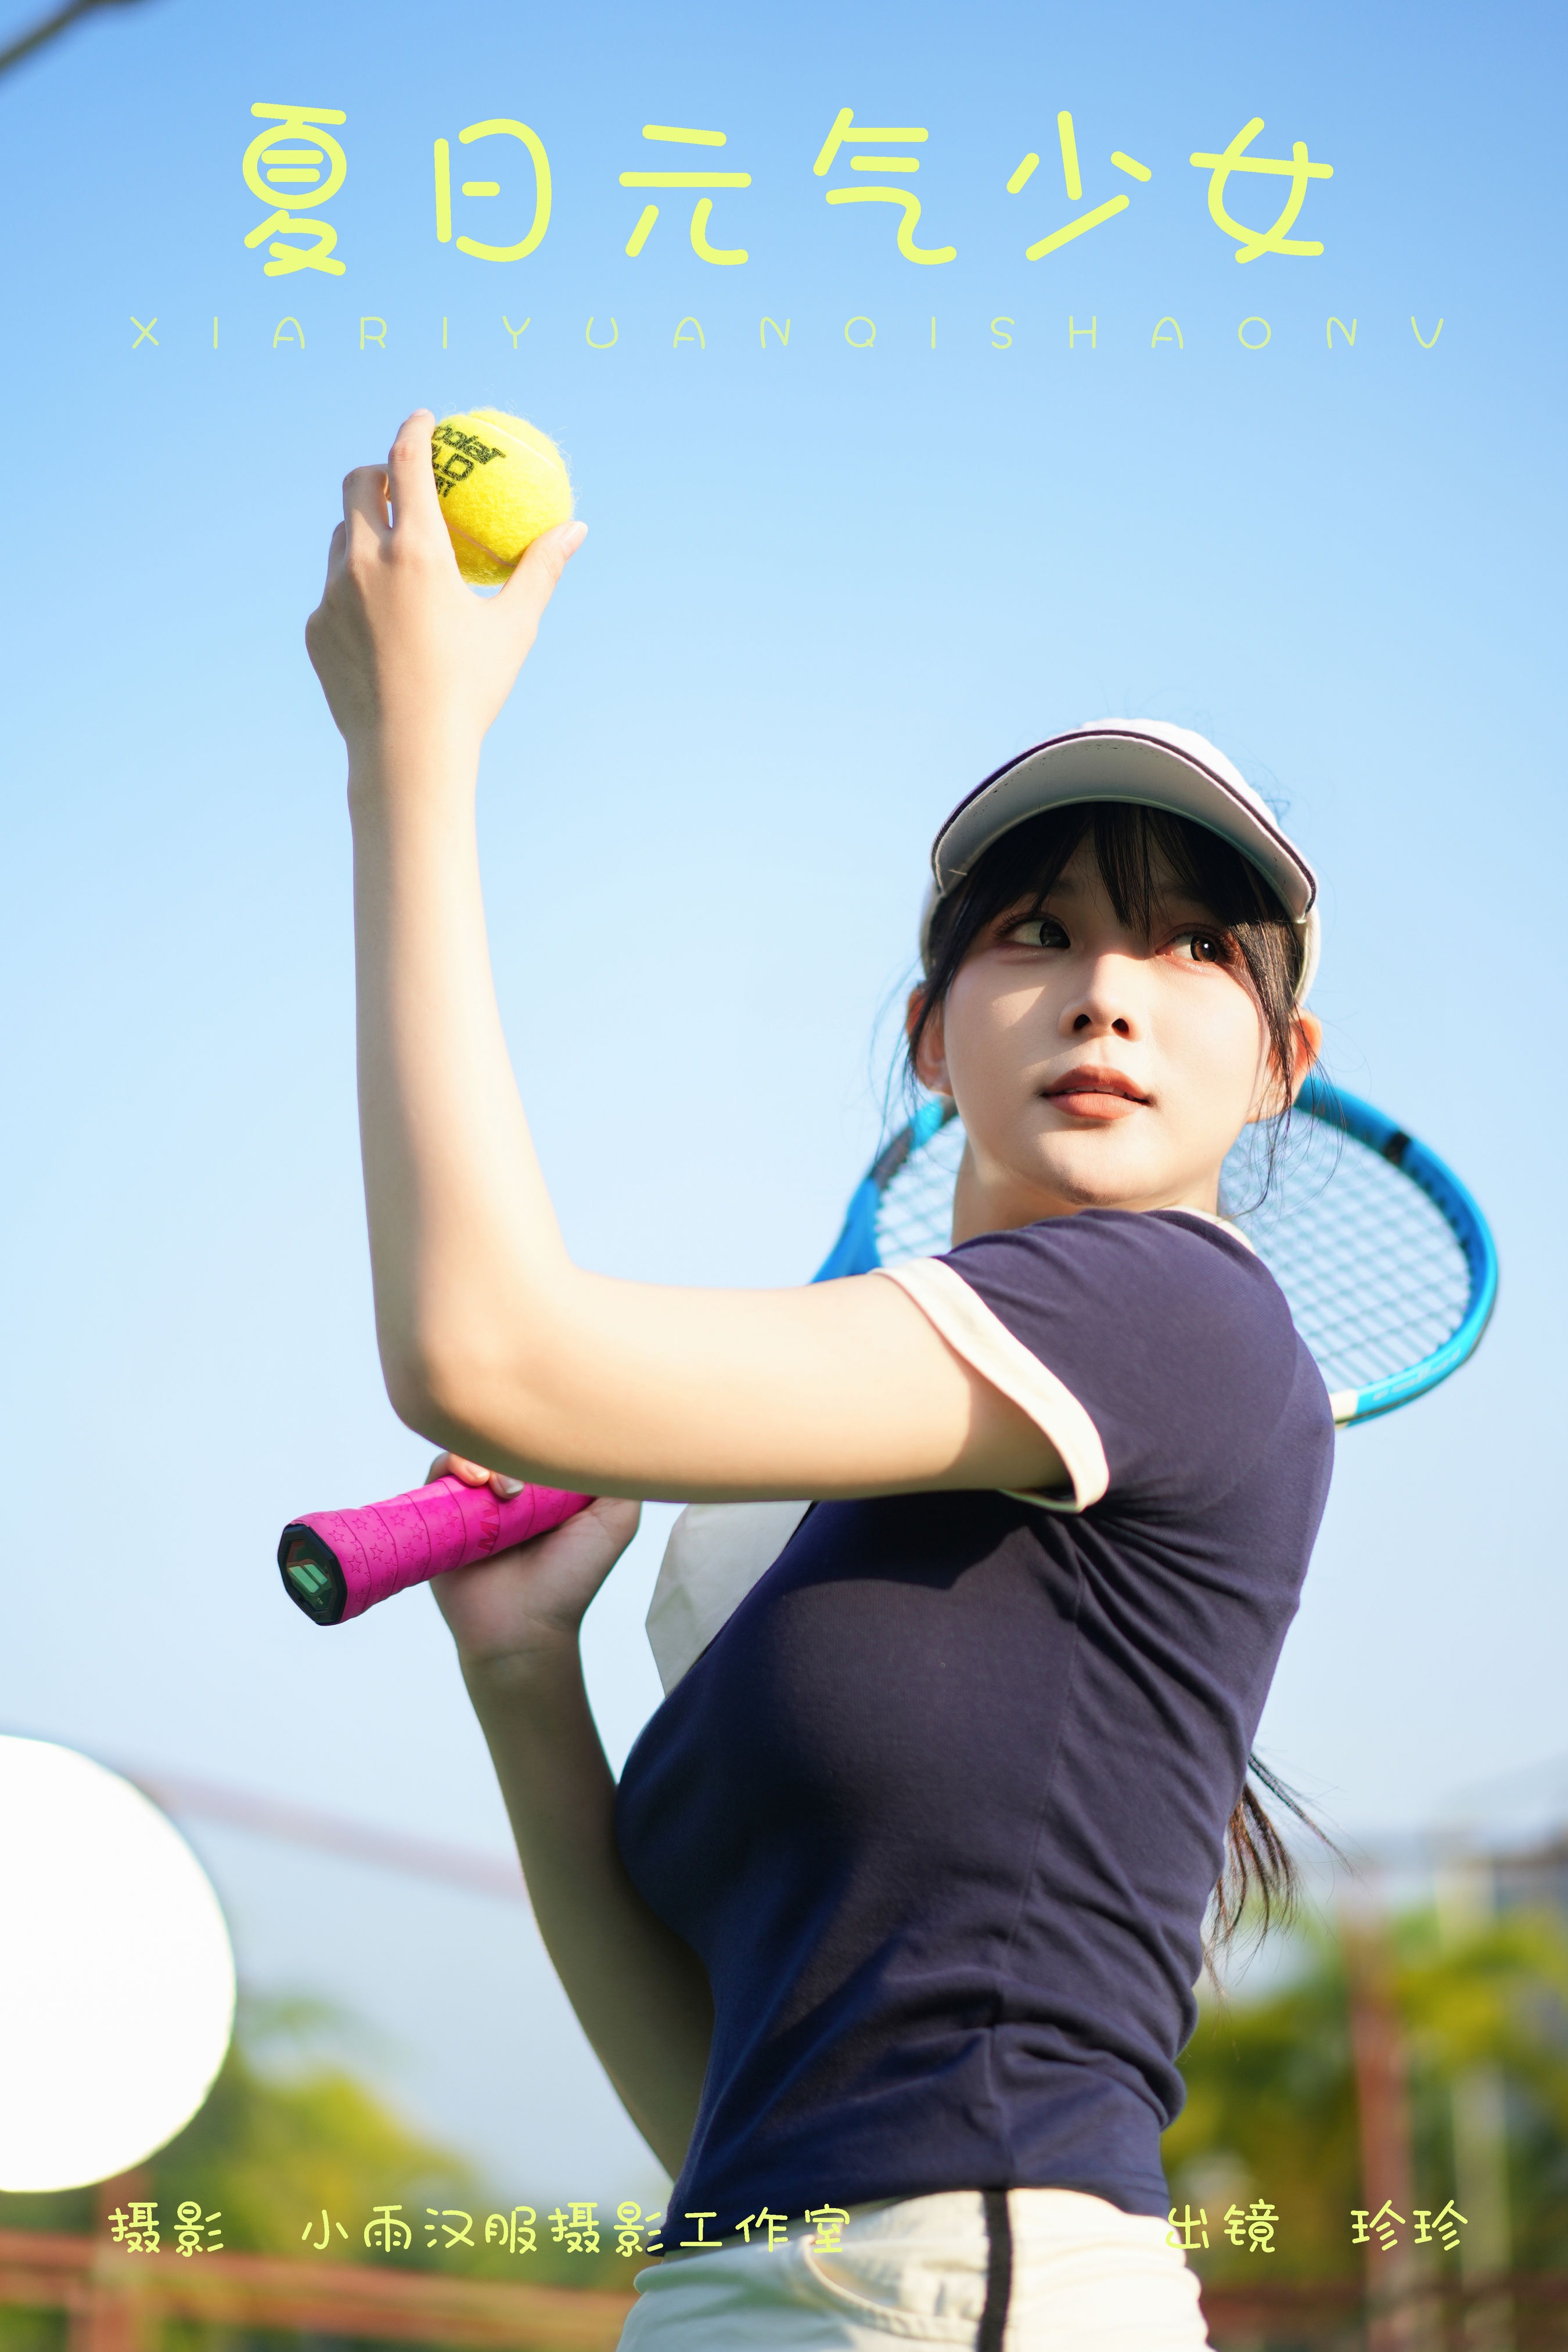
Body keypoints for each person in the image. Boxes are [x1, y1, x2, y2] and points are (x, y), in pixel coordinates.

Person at [305, 411, 1336, 2351]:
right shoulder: (829, 1516)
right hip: (741, 2287)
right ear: (932, 1034)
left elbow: (483, 1347)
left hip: (983, 2301)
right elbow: (726, 2116)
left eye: (1192, 946)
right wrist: (524, 1672)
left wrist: (409, 747)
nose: (1108, 987)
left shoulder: (1174, 1314)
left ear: (1281, 1058)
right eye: (1037, 934)